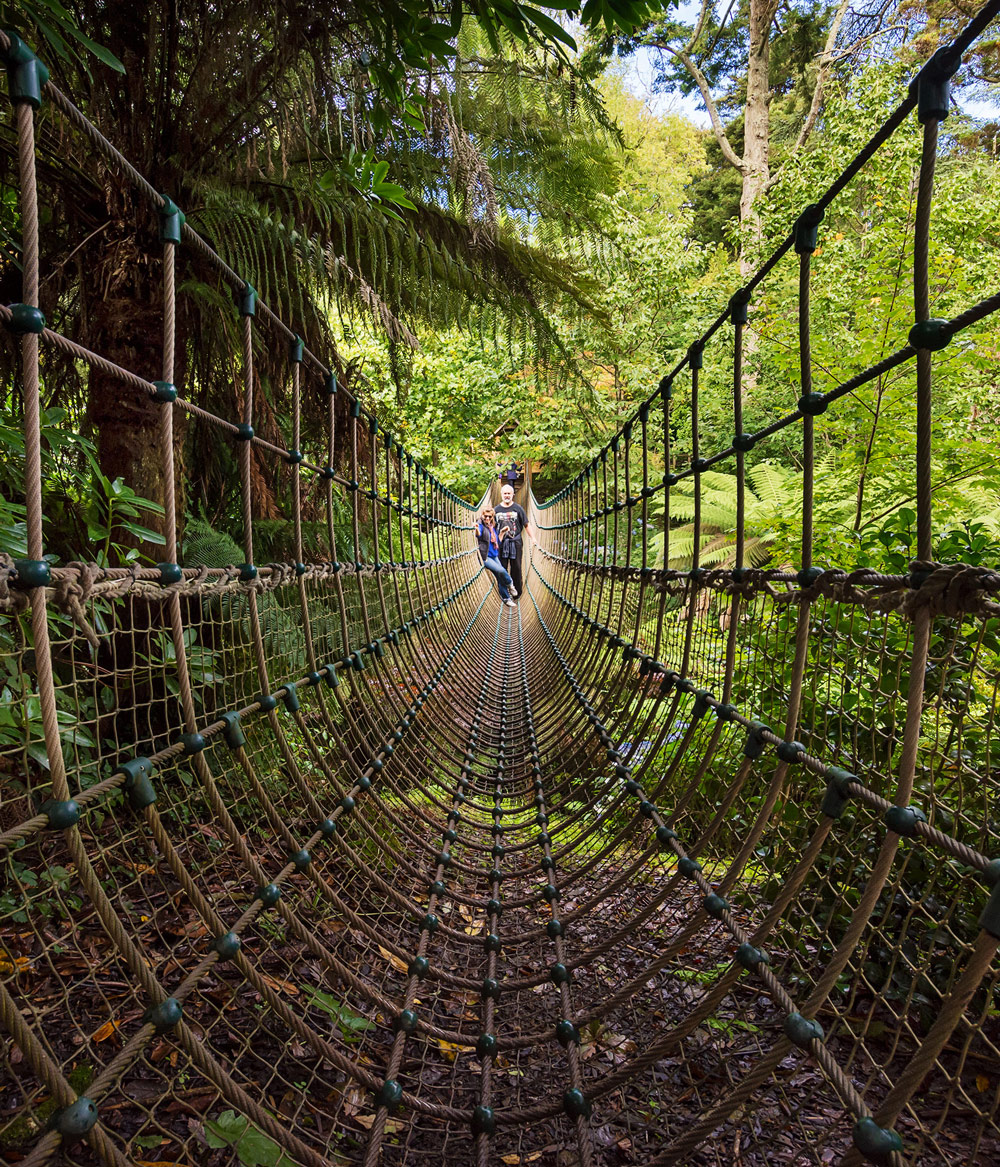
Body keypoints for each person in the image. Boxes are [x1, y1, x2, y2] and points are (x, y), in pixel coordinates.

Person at [494, 483, 536, 601]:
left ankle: (517, 593)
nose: (507, 495)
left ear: (513, 494)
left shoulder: (518, 509)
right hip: (501, 542)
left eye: (509, 493)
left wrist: (533, 538)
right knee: (501, 568)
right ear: (501, 494)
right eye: (505, 493)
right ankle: (504, 593)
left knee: (516, 567)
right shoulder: (496, 510)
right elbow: (491, 527)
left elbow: (526, 524)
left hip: (515, 542)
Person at [476, 506, 517, 607]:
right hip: (485, 557)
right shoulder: (480, 525)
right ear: (482, 515)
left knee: (500, 576)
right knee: (501, 571)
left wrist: (502, 532)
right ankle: (510, 584)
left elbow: (497, 541)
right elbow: (478, 534)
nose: (487, 519)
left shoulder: (491, 526)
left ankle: (506, 598)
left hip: (494, 555)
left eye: (490, 517)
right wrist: (476, 529)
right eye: (485, 516)